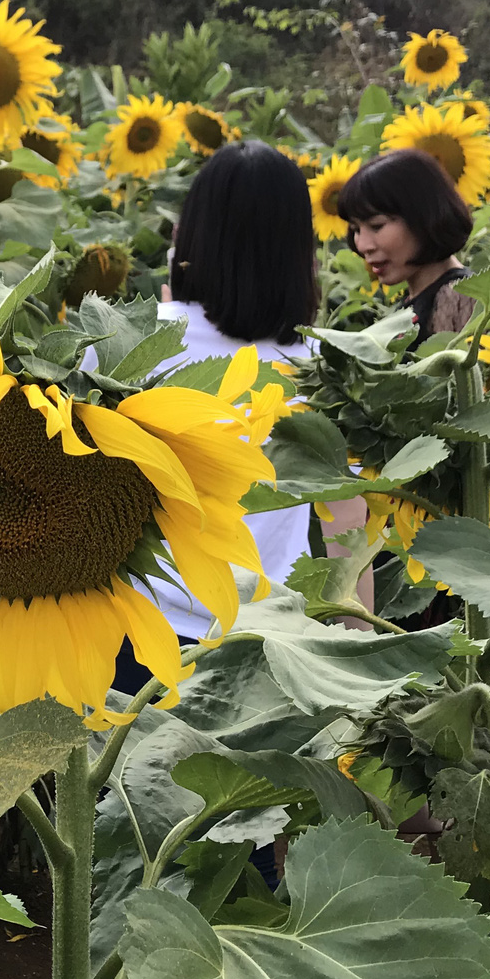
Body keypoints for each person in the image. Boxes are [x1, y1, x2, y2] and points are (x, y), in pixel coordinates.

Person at [128, 141, 370, 647]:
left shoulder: (135, 340)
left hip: (137, 624)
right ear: (300, 250)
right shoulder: (322, 369)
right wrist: (361, 656)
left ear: (191, 234)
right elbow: (347, 530)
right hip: (264, 637)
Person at [337, 148, 477, 336]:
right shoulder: (412, 302)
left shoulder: (459, 297)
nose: (362, 246)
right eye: (355, 230)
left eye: (377, 226)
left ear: (424, 217)